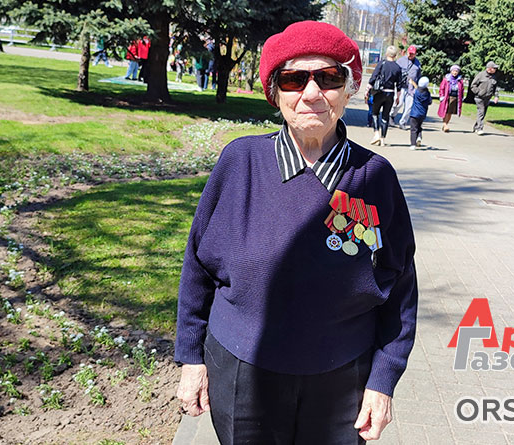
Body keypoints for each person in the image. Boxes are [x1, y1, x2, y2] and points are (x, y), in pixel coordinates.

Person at [174, 20, 417, 444]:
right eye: (293, 79)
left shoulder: (375, 177)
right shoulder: (241, 161)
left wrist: (383, 379)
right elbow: (198, 265)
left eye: (329, 77)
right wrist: (191, 357)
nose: (311, 93)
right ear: (275, 92)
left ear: (349, 90)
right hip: (242, 371)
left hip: (344, 378)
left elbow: (400, 287)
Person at [366, 46, 402, 146]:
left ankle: (376, 133)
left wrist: (367, 90)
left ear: (386, 54)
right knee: (385, 116)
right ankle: (382, 139)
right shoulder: (397, 67)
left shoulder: (382, 63)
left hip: (379, 93)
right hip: (390, 94)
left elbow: (373, 77)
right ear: (395, 55)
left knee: (375, 113)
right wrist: (398, 97)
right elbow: (399, 84)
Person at [389, 45, 421, 129]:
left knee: (409, 107)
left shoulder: (417, 64)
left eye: (412, 54)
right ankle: (391, 116)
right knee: (398, 104)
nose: (410, 55)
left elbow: (419, 76)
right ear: (407, 52)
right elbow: (395, 71)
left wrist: (417, 86)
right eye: (409, 53)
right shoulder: (400, 61)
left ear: (415, 54)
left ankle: (403, 122)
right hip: (401, 86)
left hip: (411, 88)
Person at [470, 61, 499, 135]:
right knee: (481, 112)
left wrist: (496, 96)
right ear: (489, 68)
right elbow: (473, 85)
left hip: (487, 98)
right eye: (494, 68)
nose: (495, 69)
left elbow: (495, 88)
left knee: (482, 113)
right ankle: (480, 128)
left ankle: (476, 127)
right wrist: (478, 92)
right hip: (479, 98)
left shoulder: (494, 77)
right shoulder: (481, 75)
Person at [437, 64, 464, 133]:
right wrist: (442, 96)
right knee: (445, 111)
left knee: (450, 113)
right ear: (451, 71)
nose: (455, 72)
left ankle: (445, 125)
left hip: (455, 98)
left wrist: (461, 97)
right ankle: (445, 125)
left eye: (456, 71)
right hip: (447, 97)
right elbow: (442, 88)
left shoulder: (460, 80)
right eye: (453, 71)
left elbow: (462, 89)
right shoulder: (446, 79)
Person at [409, 76, 432, 150]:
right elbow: (430, 102)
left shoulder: (416, 92)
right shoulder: (427, 93)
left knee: (413, 129)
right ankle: (419, 137)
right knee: (419, 126)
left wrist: (411, 83)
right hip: (422, 113)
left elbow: (410, 91)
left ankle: (413, 144)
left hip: (414, 113)